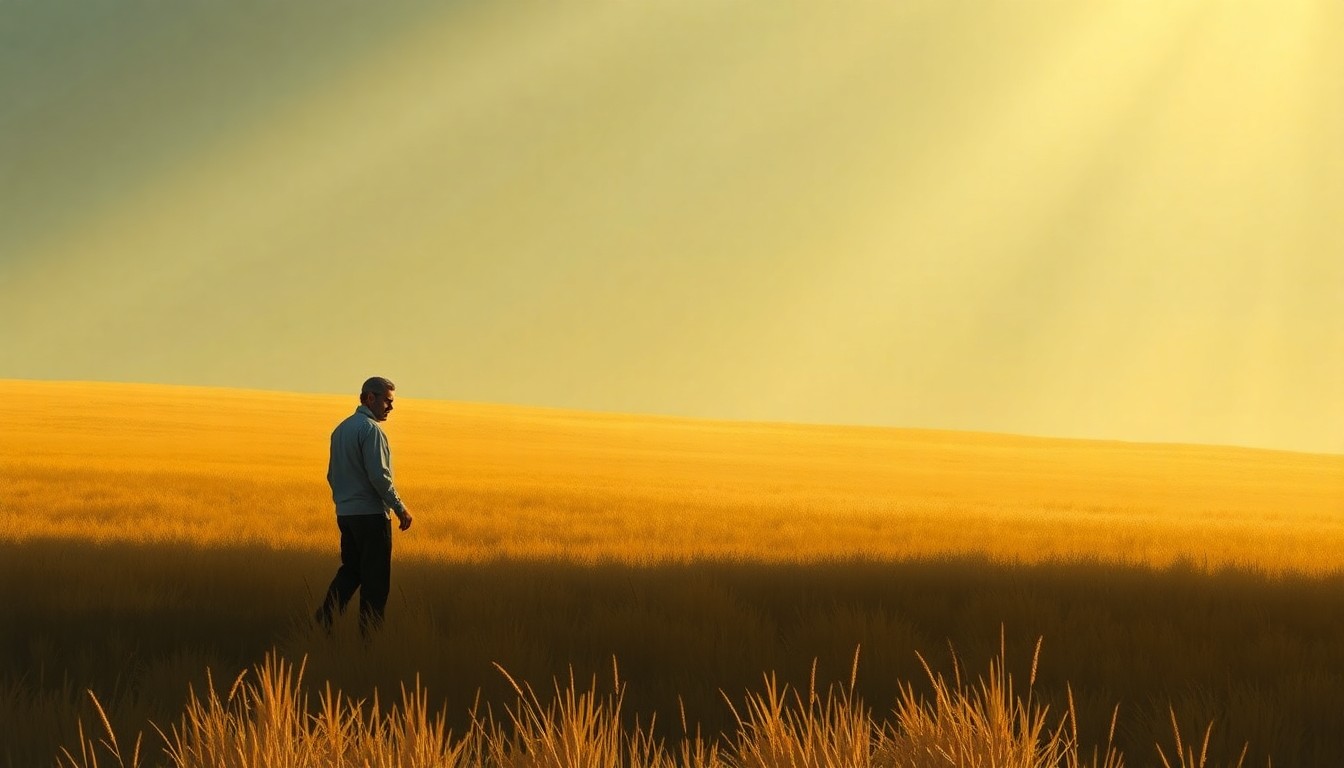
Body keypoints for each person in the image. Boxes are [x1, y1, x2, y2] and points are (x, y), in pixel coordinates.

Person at [315, 376, 413, 636]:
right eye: (387, 401)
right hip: (371, 516)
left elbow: (331, 475)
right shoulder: (372, 430)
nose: (391, 408)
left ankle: (323, 621)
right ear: (370, 398)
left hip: (346, 515)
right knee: (376, 581)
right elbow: (379, 475)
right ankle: (370, 639)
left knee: (350, 572)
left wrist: (344, 502)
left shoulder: (341, 429)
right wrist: (399, 507)